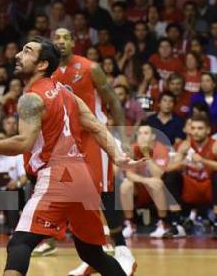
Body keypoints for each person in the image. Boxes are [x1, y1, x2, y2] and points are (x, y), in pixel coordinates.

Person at [0, 37, 140, 276]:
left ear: (42, 64)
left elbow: (24, 142)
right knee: (91, 252)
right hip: (81, 177)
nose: (17, 56)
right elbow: (96, 126)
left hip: (57, 175)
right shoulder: (66, 93)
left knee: (19, 243)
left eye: (26, 52)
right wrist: (117, 156)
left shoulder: (31, 99)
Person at [38, 28, 134, 275]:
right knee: (76, 195)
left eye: (65, 37)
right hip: (68, 140)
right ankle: (94, 255)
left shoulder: (90, 67)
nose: (60, 42)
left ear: (73, 42)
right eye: (56, 38)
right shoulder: (49, 73)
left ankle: (123, 250)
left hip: (94, 136)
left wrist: (122, 137)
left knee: (102, 191)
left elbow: (112, 100)